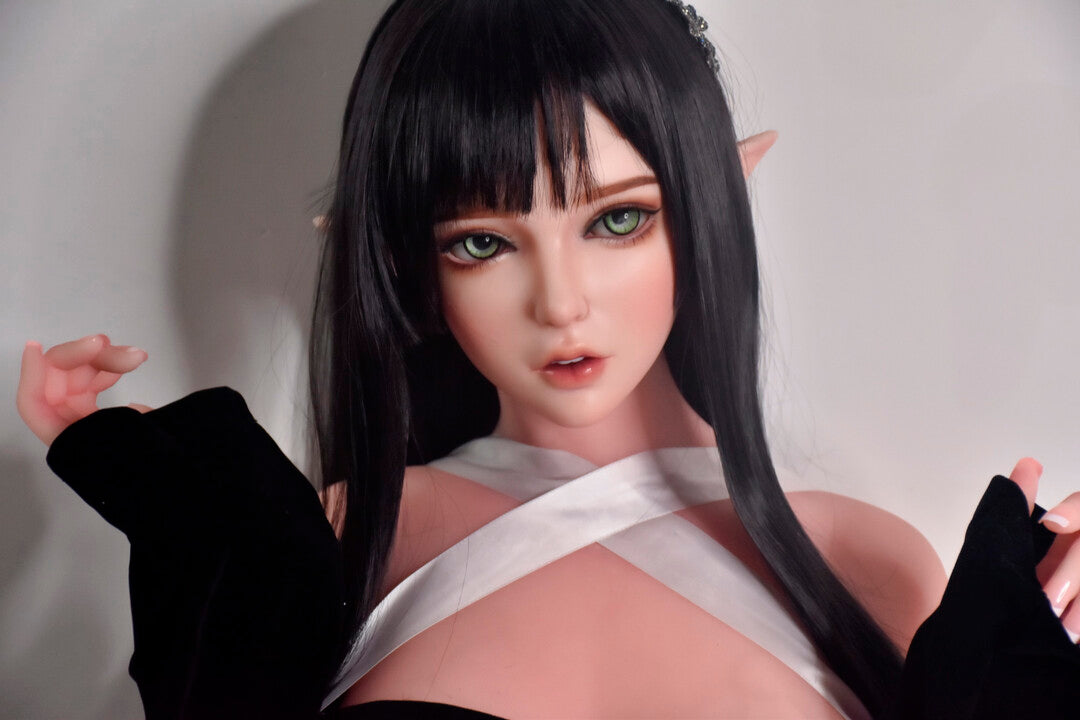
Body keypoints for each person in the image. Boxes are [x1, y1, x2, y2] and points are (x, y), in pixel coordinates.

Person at [16, 0, 1080, 717]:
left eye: (618, 220)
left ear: (720, 197)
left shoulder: (868, 564)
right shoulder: (335, 542)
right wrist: (184, 514)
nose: (560, 302)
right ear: (404, 263)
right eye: (482, 243)